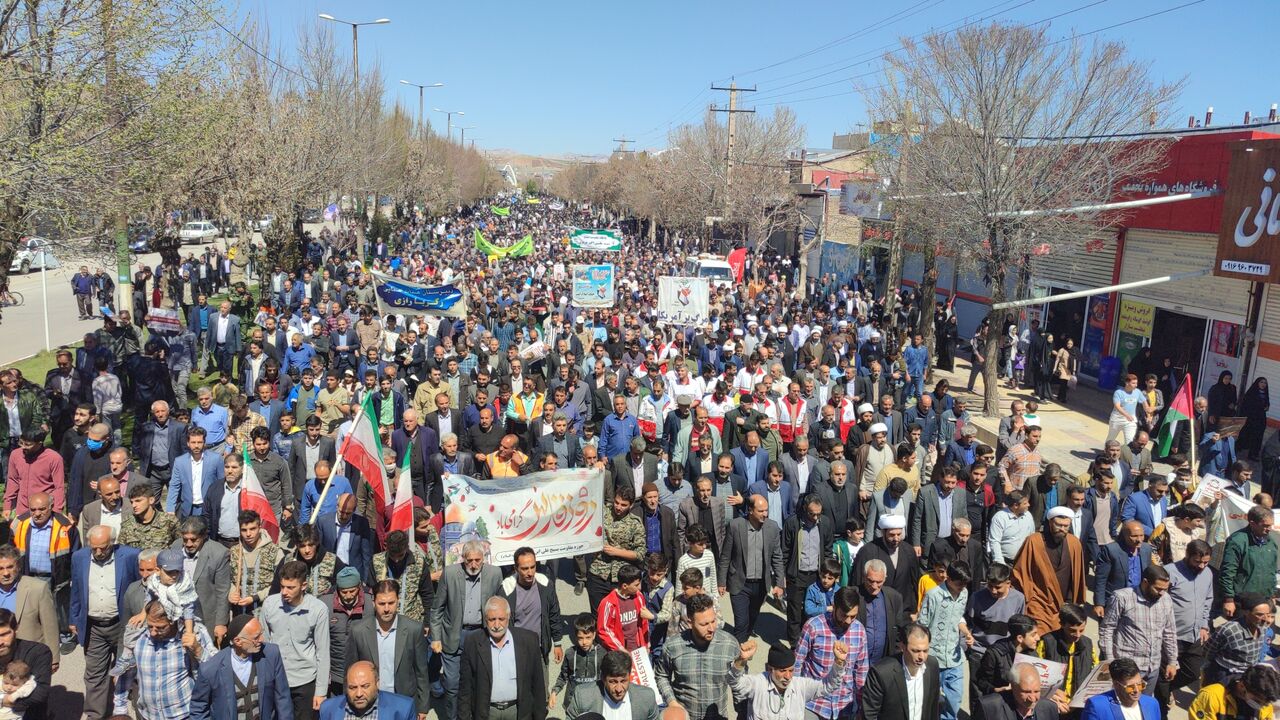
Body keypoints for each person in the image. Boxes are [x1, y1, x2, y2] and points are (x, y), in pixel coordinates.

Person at [69, 525, 140, 720]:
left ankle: (128, 712)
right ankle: (95, 714)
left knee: (127, 670)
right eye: (94, 548)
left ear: (113, 543)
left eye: (104, 547)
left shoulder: (130, 556)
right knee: (94, 674)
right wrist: (74, 618)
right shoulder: (79, 558)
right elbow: (76, 590)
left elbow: (139, 587)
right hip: (93, 627)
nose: (99, 552)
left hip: (122, 625)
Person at [430, 539, 503, 720]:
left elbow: (501, 606)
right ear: (463, 559)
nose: (473, 564)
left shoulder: (494, 574)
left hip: (480, 635)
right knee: (453, 684)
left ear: (483, 559)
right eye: (469, 560)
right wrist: (436, 638)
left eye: (477, 560)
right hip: (454, 634)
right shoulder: (450, 574)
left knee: (479, 682)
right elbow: (437, 608)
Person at [112, 599, 217, 720]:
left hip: (185, 716)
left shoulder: (193, 634)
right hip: (148, 716)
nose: (153, 633)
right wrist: (120, 709)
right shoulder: (137, 638)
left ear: (174, 621)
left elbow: (216, 670)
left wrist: (198, 650)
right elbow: (126, 675)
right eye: (150, 626)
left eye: (160, 627)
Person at [344, 579, 431, 717]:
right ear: (373, 603)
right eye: (381, 603)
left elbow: (421, 671)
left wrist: (423, 707)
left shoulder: (414, 629)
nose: (386, 609)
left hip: (403, 701)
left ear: (398, 601)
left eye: (391, 603)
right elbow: (350, 671)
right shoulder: (358, 631)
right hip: (371, 703)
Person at [457, 596, 547, 720]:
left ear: (508, 617)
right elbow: (465, 688)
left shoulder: (529, 641)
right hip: (487, 712)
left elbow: (538, 685)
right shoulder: (473, 641)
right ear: (485, 619)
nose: (497, 625)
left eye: (501, 619)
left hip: (518, 711)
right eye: (492, 619)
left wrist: (540, 716)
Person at [188, 614, 294, 720]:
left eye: (261, 634)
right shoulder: (211, 669)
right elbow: (198, 709)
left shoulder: (271, 654)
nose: (262, 639)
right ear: (238, 641)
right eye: (256, 637)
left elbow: (283, 698)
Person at [260, 560, 329, 720]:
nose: (284, 592)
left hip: (304, 681)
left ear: (303, 585)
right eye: (282, 586)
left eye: (290, 587)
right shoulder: (270, 604)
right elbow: (263, 643)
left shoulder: (318, 610)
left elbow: (323, 652)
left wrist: (320, 692)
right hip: (276, 679)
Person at [655, 593, 739, 720]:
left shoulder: (730, 644)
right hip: (686, 716)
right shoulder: (673, 646)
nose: (711, 628)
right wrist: (672, 702)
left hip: (717, 716)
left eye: (713, 621)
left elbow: (739, 683)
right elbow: (661, 675)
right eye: (704, 624)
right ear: (690, 622)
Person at [1154, 539, 1213, 718]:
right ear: (1187, 555)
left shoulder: (1208, 573)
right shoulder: (1170, 572)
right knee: (1165, 674)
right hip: (1171, 636)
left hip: (1195, 634)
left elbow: (1207, 600)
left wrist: (1204, 624)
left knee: (1192, 672)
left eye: (1205, 562)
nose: (1202, 566)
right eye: (1197, 561)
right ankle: (1161, 707)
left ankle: (1161, 690)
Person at [1099, 564, 1178, 690]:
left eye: (1165, 589)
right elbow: (1107, 629)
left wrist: (1172, 662)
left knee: (1143, 707)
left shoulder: (1166, 600)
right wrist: (1110, 662)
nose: (1162, 593)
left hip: (1152, 668)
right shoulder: (1122, 597)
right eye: (1158, 589)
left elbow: (1170, 632)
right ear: (1145, 582)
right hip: (1127, 670)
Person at [719, 494, 784, 643]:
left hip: (761, 585)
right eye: (761, 511)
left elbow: (777, 558)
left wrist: (779, 583)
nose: (765, 514)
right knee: (741, 623)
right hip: (740, 584)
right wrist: (721, 581)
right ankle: (738, 656)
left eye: (766, 510)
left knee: (752, 619)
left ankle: (744, 640)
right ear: (750, 510)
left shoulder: (772, 527)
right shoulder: (735, 526)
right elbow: (725, 556)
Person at [1010, 506, 1086, 634]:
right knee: (1039, 635)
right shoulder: (1034, 541)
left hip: (1064, 603)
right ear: (1050, 522)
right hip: (1039, 601)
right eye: (1058, 525)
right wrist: (1029, 596)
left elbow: (1077, 575)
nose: (1062, 529)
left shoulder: (1074, 543)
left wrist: (1071, 601)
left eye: (1066, 526)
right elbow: (1020, 571)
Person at [730, 640, 847, 720]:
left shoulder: (801, 686)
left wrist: (839, 662)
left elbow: (828, 685)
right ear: (770, 669)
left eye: (791, 671)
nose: (788, 676)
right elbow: (735, 682)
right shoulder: (758, 684)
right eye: (782, 671)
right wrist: (741, 660)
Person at [498, 546, 564, 663]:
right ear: (516, 568)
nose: (530, 572)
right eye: (524, 569)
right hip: (515, 651)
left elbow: (554, 614)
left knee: (542, 682)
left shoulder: (545, 585)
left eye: (532, 567)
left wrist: (557, 643)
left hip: (539, 650)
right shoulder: (506, 590)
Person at [861, 624, 940, 720]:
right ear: (903, 647)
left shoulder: (932, 665)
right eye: (915, 651)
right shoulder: (881, 673)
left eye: (925, 651)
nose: (921, 657)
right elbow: (869, 714)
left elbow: (933, 707)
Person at [1202, 591, 1274, 687]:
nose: (1265, 619)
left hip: (1247, 676)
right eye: (1259, 615)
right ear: (1246, 612)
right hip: (1223, 675)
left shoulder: (1264, 628)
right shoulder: (1229, 630)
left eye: (1268, 614)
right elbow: (1208, 651)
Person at [565, 650, 660, 720]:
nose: (619, 689)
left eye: (623, 681)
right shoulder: (583, 696)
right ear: (602, 678)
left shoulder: (647, 697)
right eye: (613, 682)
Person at [1219, 505, 1279, 616]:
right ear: (1252, 523)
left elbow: (1272, 571)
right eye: (1265, 525)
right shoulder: (1237, 541)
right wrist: (1229, 599)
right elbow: (1227, 572)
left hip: (1264, 600)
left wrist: (1272, 595)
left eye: (1270, 525)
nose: (1269, 529)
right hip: (1243, 602)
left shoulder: (1271, 543)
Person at [1036, 604, 1096, 706]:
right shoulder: (1047, 642)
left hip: (1079, 704)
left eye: (1081, 630)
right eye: (1072, 630)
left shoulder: (1088, 644)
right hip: (1053, 703)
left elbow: (1095, 674)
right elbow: (1036, 675)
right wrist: (1051, 695)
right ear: (1062, 624)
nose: (1077, 635)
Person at [1093, 520, 1153, 620]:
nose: (1139, 540)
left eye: (1142, 535)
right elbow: (1100, 579)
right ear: (1124, 535)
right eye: (1134, 536)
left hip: (1138, 600)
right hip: (1115, 601)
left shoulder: (1146, 549)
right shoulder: (1111, 550)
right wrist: (1099, 603)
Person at [317, 661, 416, 720]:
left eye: (365, 686)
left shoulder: (403, 709)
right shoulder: (328, 709)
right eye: (353, 688)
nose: (359, 694)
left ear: (377, 683)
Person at [551, 614, 607, 714]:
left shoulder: (602, 654)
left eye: (588, 637)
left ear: (594, 635)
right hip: (572, 704)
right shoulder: (570, 653)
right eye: (580, 638)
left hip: (594, 705)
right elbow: (563, 676)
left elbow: (607, 678)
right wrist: (555, 692)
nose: (584, 642)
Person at [1188, 664, 1280, 720]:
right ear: (1241, 686)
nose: (1261, 706)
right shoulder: (1211, 696)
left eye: (1265, 704)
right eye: (1258, 701)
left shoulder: (1265, 700)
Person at [1081, 657, 1162, 720]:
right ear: (1116, 684)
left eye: (1140, 684)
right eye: (1130, 687)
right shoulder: (1097, 706)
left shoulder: (1152, 704)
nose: (1137, 690)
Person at [1107, 374, 1144, 445]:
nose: (1136, 385)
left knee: (1130, 440)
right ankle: (1107, 452)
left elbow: (1144, 403)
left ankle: (1127, 454)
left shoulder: (1137, 392)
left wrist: (1149, 414)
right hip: (1117, 419)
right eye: (1133, 383)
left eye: (1136, 383)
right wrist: (1126, 415)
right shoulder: (1118, 392)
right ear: (1127, 383)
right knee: (1111, 438)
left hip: (1130, 421)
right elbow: (1117, 406)